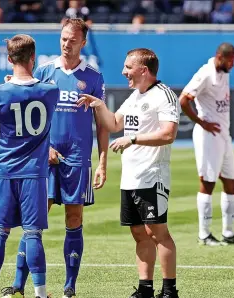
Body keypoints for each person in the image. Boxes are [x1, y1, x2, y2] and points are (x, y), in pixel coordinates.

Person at [2, 18, 109, 298]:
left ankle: (69, 286)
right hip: (45, 158)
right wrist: (43, 146)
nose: (66, 43)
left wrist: (102, 162)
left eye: (73, 39)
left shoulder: (94, 77)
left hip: (77, 159)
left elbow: (103, 125)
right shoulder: (45, 71)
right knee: (34, 221)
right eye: (63, 38)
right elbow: (29, 112)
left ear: (83, 42)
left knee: (74, 219)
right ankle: (18, 285)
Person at [77, 48, 180, 298]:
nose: (124, 72)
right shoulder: (134, 96)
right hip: (131, 178)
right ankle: (145, 288)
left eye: (128, 67)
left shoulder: (164, 95)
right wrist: (98, 104)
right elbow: (113, 124)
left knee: (158, 232)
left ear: (143, 70)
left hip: (152, 176)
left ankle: (169, 291)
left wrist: (132, 139)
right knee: (138, 232)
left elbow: (168, 134)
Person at [0, 34, 59, 298]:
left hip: (5, 170)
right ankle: (40, 293)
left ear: (8, 58)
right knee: (33, 234)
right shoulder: (51, 91)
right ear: (33, 58)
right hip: (34, 174)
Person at [179, 43, 234, 246]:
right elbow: (183, 100)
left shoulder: (223, 72)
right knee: (208, 182)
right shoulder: (206, 73)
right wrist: (202, 122)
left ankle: (228, 232)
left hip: (224, 134)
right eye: (230, 61)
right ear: (219, 56)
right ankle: (204, 234)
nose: (232, 65)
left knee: (231, 183)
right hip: (208, 135)